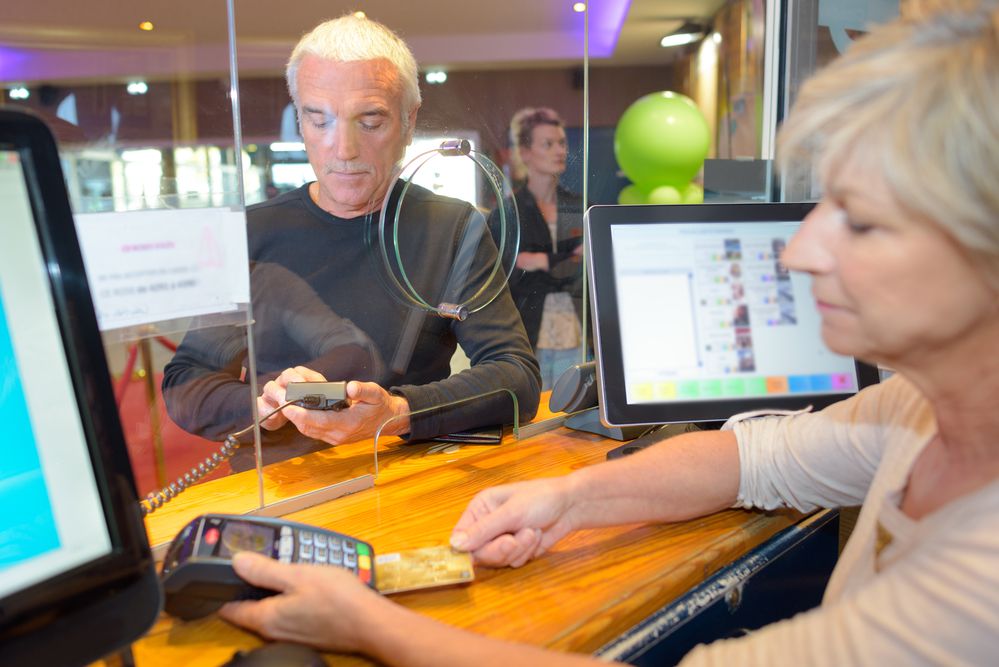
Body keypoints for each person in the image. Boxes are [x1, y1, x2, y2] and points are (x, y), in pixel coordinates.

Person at [217, 1, 999, 663]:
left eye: (860, 220)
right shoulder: (913, 411)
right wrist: (568, 497)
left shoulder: (981, 573)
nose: (798, 252)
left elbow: (512, 370)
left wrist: (367, 624)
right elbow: (753, 455)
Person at [162, 15, 541, 470]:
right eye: (318, 120)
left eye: (370, 121)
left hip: (402, 475)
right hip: (281, 483)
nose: (343, 149)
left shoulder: (451, 227)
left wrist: (397, 412)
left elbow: (516, 377)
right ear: (300, 121)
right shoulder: (251, 232)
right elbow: (187, 382)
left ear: (408, 121)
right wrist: (263, 406)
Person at [490, 107, 585, 390]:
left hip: (578, 329)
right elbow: (507, 271)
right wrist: (567, 258)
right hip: (527, 331)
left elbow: (587, 263)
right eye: (548, 144)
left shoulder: (579, 206)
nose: (559, 151)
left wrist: (539, 260)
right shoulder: (509, 212)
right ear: (526, 152)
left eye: (562, 143)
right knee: (534, 404)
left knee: (574, 402)